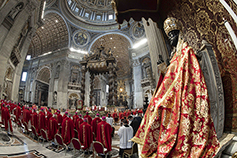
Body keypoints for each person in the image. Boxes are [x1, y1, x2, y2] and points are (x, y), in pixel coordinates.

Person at [131, 17, 220, 157]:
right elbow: (171, 75)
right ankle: (156, 141)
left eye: (173, 35)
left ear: (179, 34)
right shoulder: (174, 55)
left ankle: (166, 141)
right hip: (173, 89)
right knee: (154, 105)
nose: (170, 39)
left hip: (183, 90)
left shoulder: (186, 51)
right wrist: (162, 68)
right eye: (169, 36)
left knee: (160, 105)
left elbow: (187, 74)